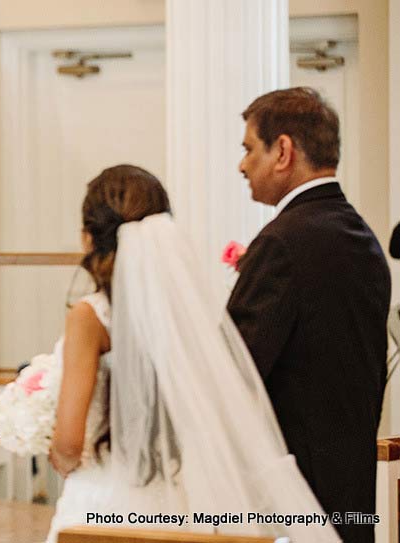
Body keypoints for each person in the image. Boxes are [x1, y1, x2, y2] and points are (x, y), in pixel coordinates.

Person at [46, 165, 339, 543]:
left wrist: (60, 457)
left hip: (104, 503)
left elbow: (68, 443)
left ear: (90, 238)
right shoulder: (186, 315)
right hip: (180, 500)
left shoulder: (90, 316)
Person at [228, 87, 390, 543]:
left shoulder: (283, 242)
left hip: (294, 502)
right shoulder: (361, 237)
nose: (241, 165)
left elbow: (236, 371)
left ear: (283, 151)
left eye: (247, 149)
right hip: (351, 495)